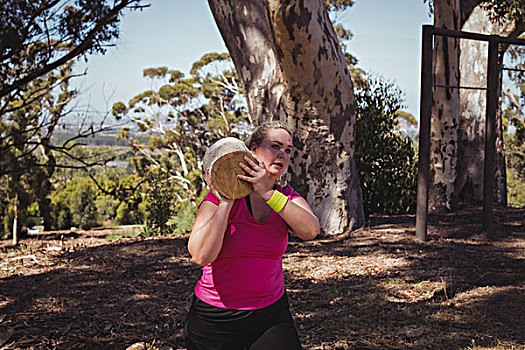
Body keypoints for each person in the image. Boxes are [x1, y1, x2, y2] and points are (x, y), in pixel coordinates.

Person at [184, 120, 320, 350]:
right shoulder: (216, 199)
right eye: (275, 146)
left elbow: (310, 230)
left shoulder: (285, 197)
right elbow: (200, 255)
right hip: (215, 319)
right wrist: (227, 199)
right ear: (252, 150)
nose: (282, 155)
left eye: (288, 150)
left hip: (270, 315)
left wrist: (267, 193)